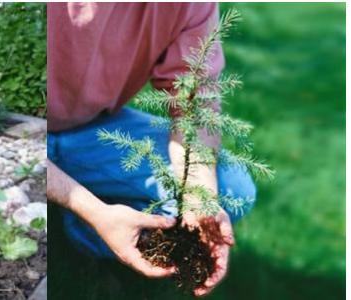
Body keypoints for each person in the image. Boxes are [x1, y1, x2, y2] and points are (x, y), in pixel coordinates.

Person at [46, 3, 256, 297]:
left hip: (91, 129)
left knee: (233, 188)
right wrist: (92, 209)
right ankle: (78, 216)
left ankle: (83, 236)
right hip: (20, 128)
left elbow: (195, 106)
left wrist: (198, 197)